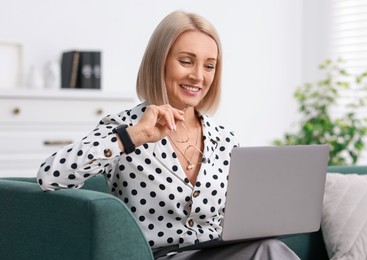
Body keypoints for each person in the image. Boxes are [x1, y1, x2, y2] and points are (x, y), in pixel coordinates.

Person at [37, 10, 299, 260]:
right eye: (186, 61)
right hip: (156, 256)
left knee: (267, 247)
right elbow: (50, 177)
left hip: (220, 253)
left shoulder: (225, 140)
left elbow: (238, 221)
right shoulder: (126, 127)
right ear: (159, 61)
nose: (198, 76)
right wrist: (132, 136)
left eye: (209, 66)